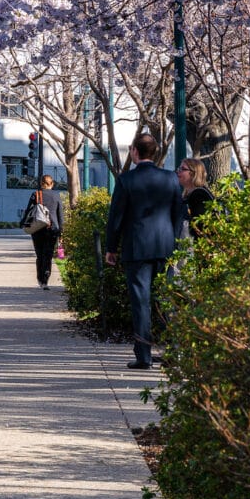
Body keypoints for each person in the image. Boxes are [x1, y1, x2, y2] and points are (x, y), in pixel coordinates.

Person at [104, 134, 185, 369]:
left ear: (135, 152)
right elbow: (178, 214)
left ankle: (144, 355)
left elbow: (116, 217)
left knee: (141, 301)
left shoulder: (126, 180)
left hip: (136, 248)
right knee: (167, 300)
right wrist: (174, 242)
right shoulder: (171, 178)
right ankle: (173, 352)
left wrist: (111, 248)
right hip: (166, 247)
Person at [24, 174, 65, 289]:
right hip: (52, 228)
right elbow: (60, 215)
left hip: (37, 228)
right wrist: (61, 231)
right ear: (51, 184)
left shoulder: (36, 194)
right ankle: (45, 279)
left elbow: (28, 212)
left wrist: (24, 223)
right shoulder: (56, 196)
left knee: (40, 254)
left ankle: (40, 278)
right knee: (48, 255)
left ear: (41, 183)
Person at [177, 157, 215, 239]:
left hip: (200, 247)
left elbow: (199, 226)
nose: (178, 171)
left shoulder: (199, 195)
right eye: (179, 168)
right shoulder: (192, 193)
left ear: (193, 173)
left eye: (182, 169)